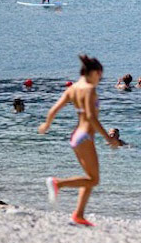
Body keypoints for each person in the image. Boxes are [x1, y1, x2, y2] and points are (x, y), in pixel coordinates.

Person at [39, 54, 117, 226]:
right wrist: (108, 138)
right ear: (94, 73)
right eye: (100, 76)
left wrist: (47, 124)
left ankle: (79, 215)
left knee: (89, 177)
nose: (100, 80)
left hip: (76, 137)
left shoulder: (73, 88)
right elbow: (90, 117)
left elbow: (54, 108)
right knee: (94, 180)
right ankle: (58, 183)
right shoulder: (89, 89)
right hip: (85, 137)